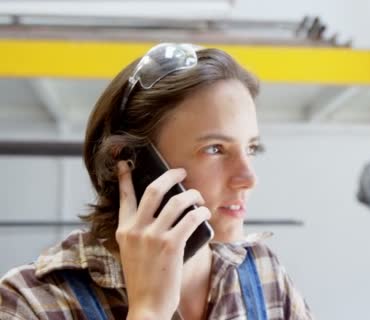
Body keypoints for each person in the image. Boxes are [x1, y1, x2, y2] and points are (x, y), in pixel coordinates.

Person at [0, 43, 312, 320]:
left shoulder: (263, 272)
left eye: (251, 148)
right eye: (215, 149)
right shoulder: (30, 301)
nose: (249, 179)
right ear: (133, 163)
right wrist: (149, 311)